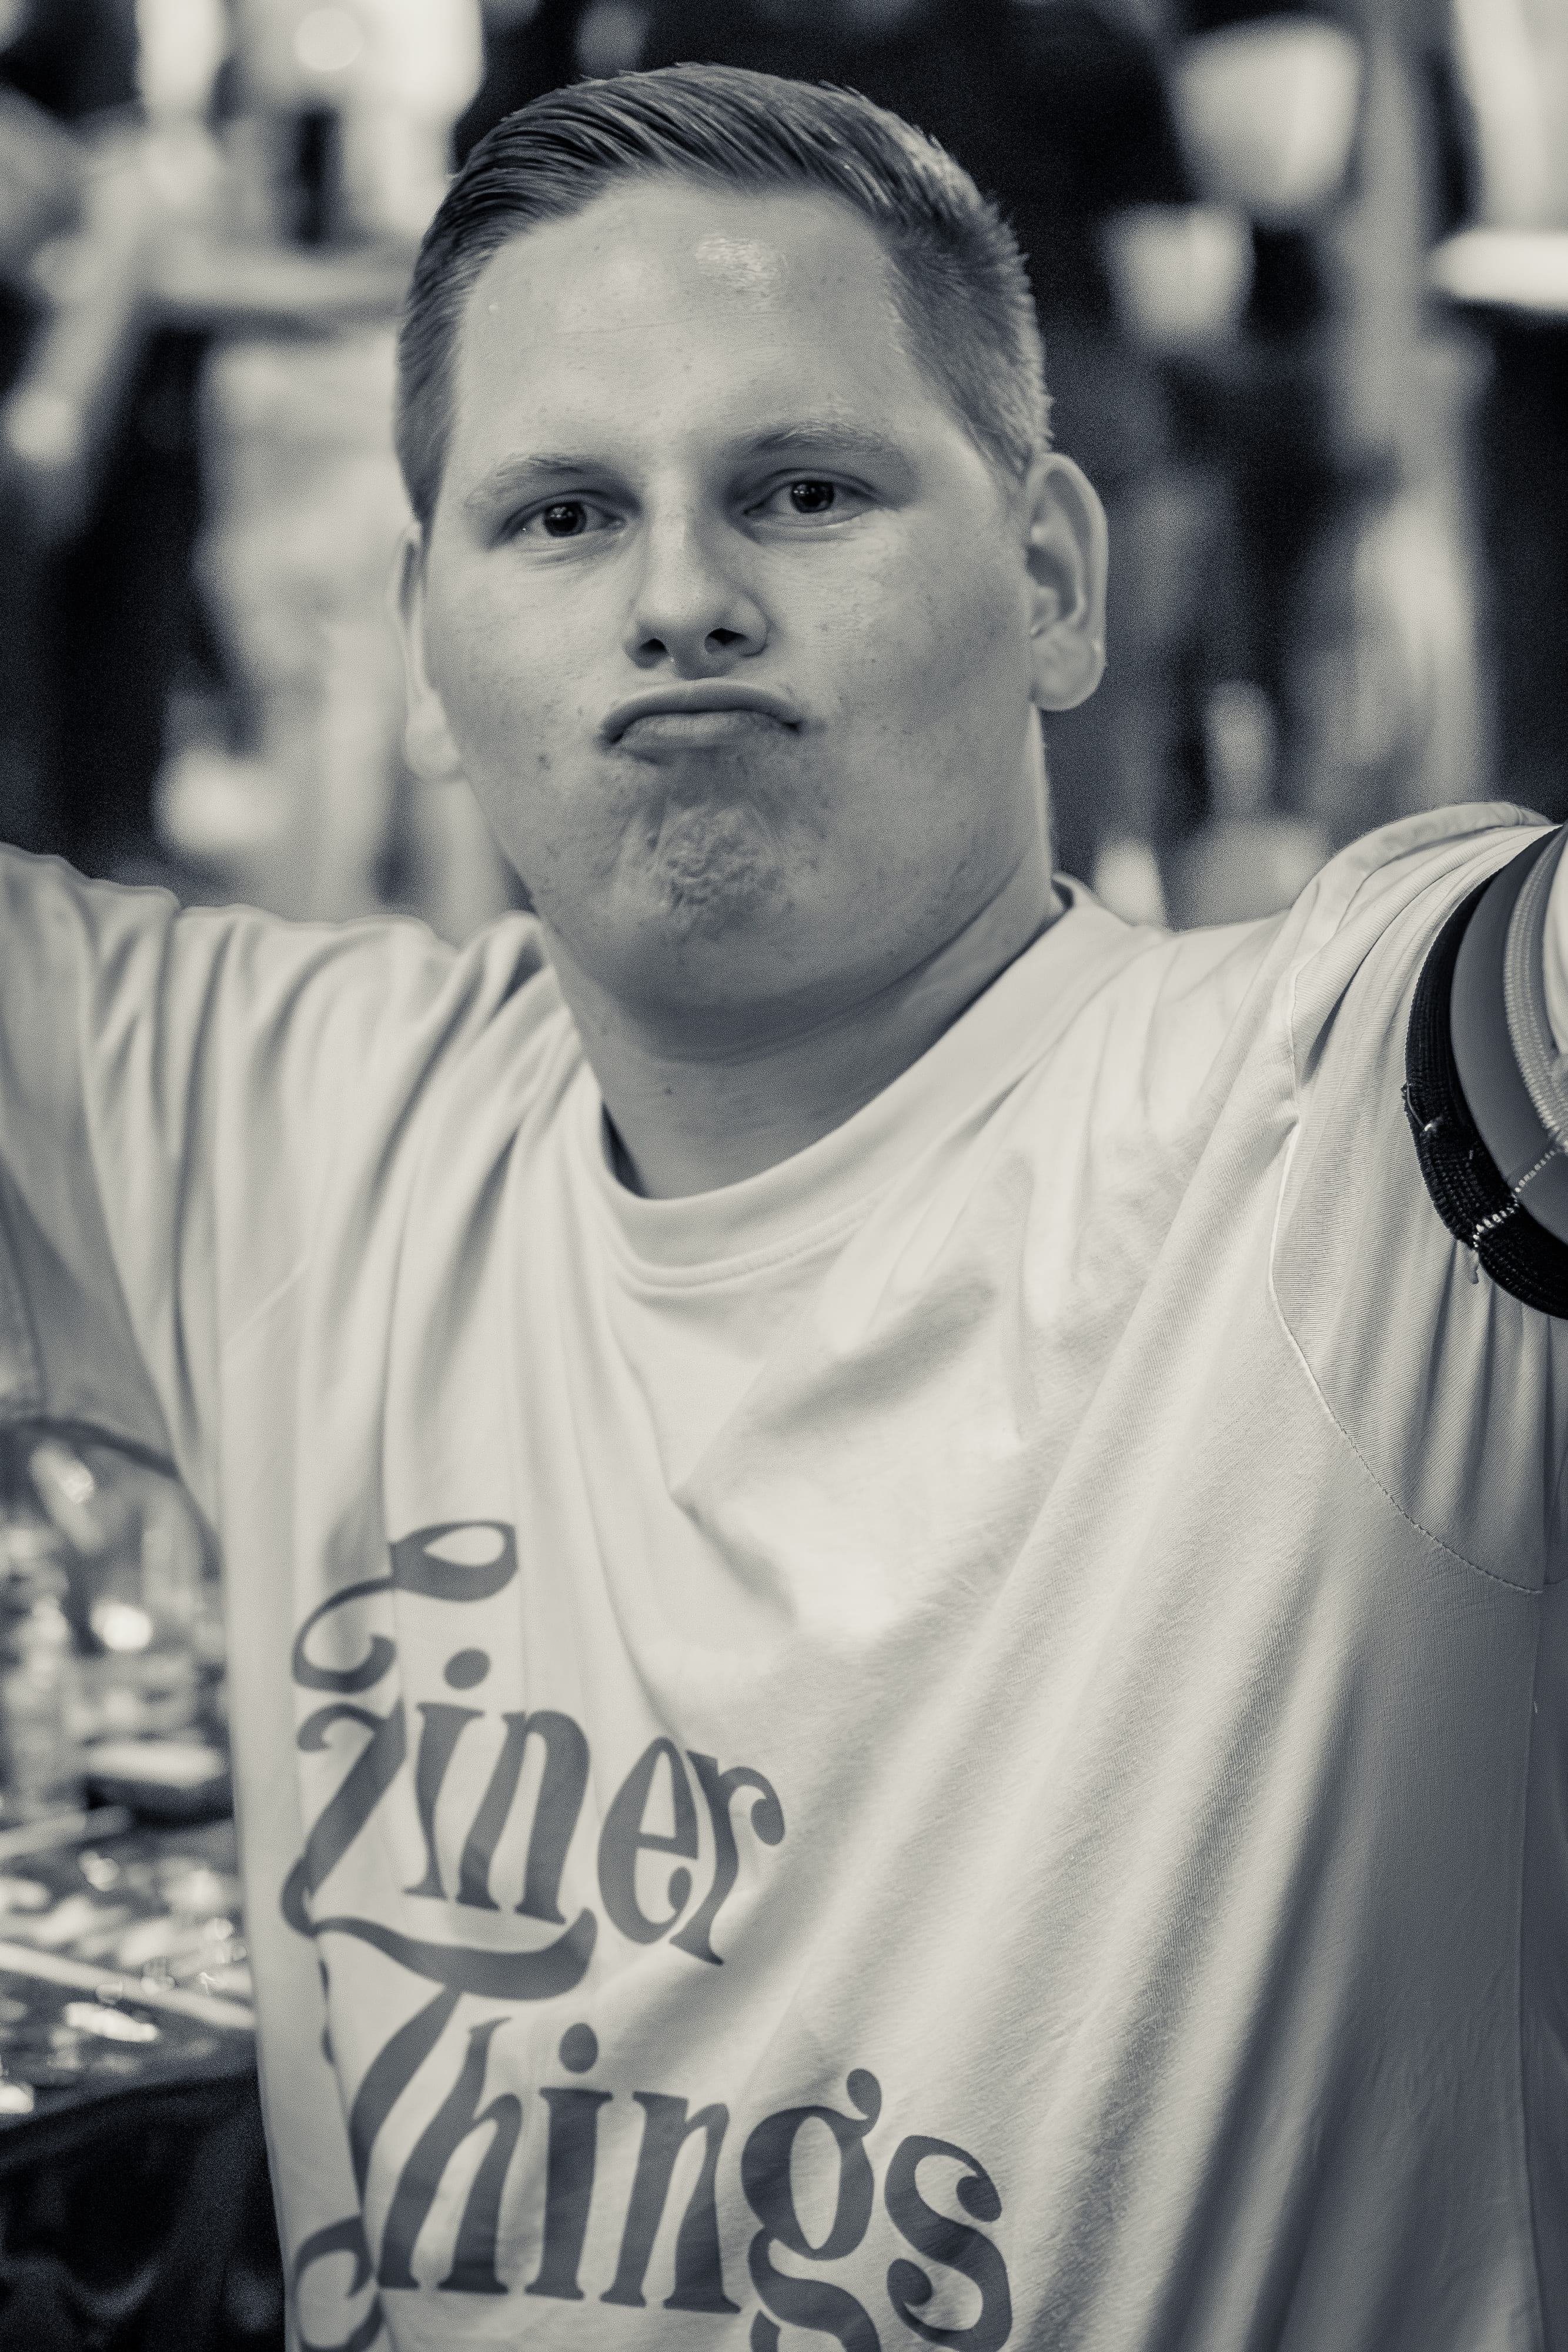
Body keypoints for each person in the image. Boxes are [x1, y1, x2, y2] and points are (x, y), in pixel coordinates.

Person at [0, 62, 1566, 2352]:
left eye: (803, 490)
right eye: (560, 515)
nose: (680, 598)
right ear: (423, 642)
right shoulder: (277, 1127)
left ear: (1052, 578)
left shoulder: (1355, 1129)